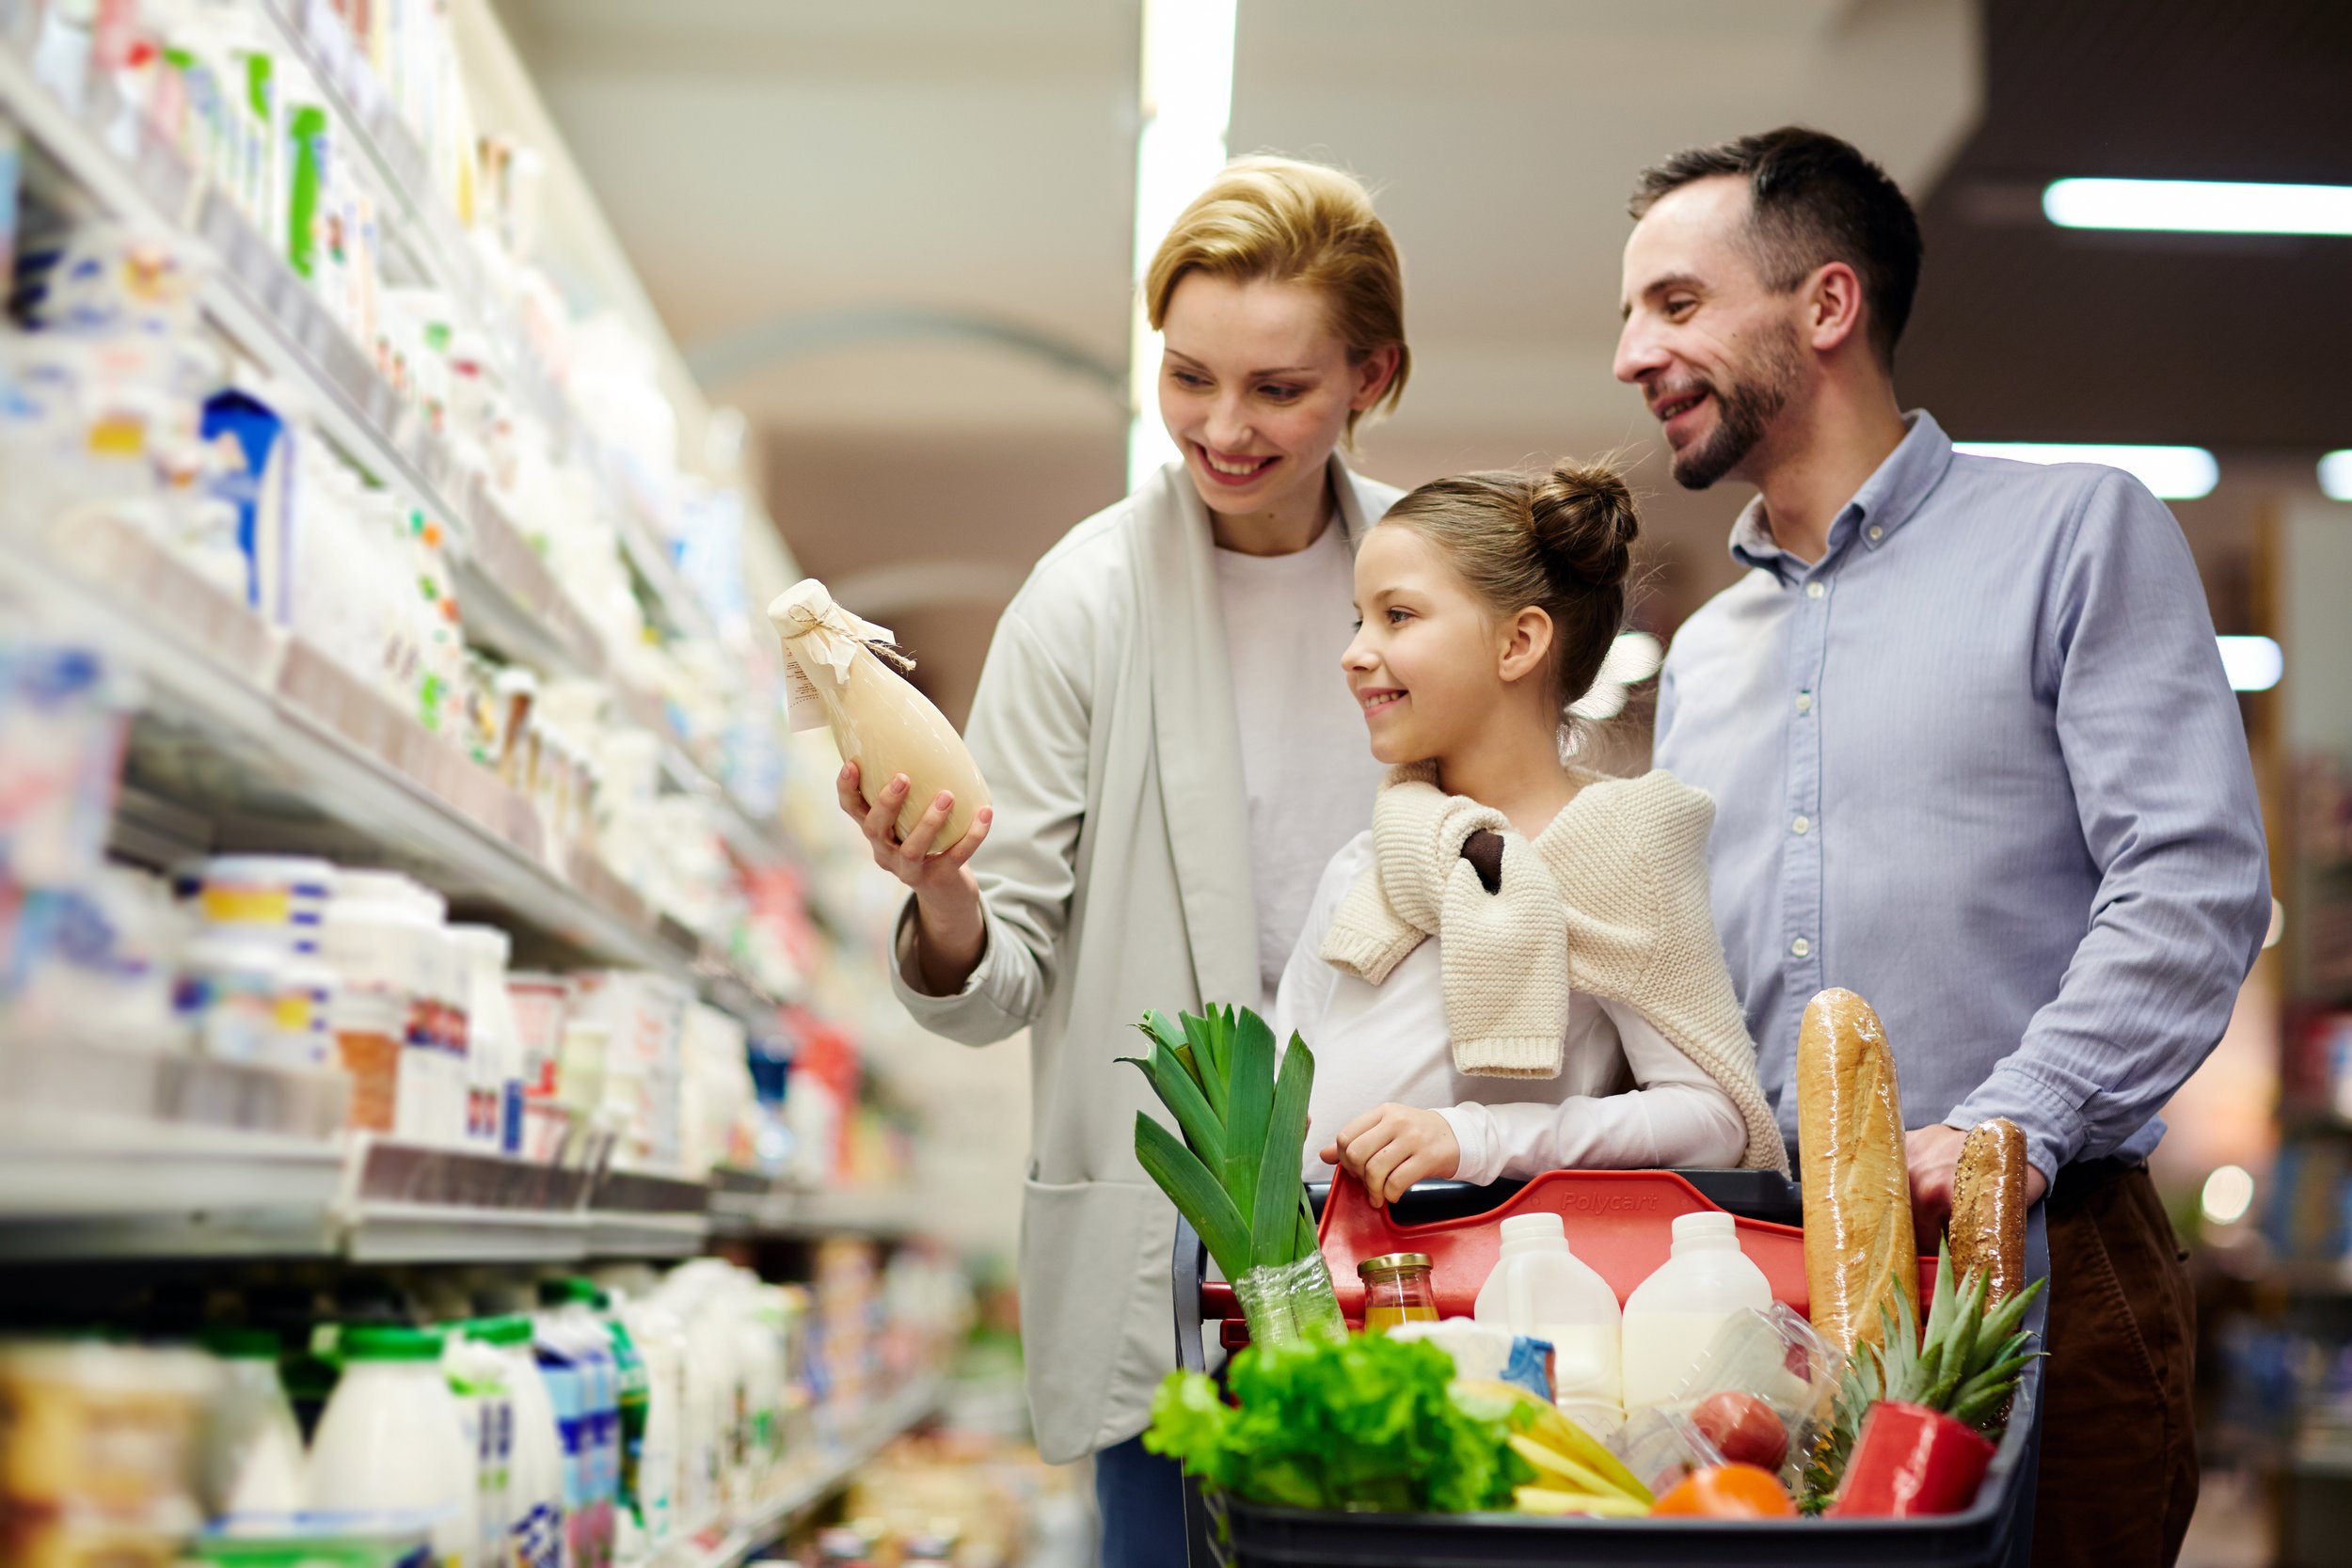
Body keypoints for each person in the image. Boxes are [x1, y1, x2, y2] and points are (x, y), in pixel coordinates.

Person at [1614, 126, 2270, 1567]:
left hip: (2040, 1266)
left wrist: (2009, 1124)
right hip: (1768, 1279)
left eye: (1672, 304)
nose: (1628, 354)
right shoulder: (1708, 653)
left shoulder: (2075, 533)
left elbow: (2195, 885)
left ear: (1826, 306)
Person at [841, 156, 1408, 1566]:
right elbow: (995, 980)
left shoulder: (1440, 578)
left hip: (1401, 1205)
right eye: (1188, 374)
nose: (1221, 427)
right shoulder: (1084, 599)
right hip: (1169, 1252)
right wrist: (942, 887)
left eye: (1277, 388)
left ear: (1372, 376)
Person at [1271, 461, 1788, 1202]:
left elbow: (1714, 1116)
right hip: (1339, 1291)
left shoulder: (1618, 851)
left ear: (1518, 643)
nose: (1355, 652)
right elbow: (1284, 1109)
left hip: (1503, 1288)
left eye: (1399, 615)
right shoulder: (1366, 863)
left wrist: (1474, 1135)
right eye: (1360, 619)